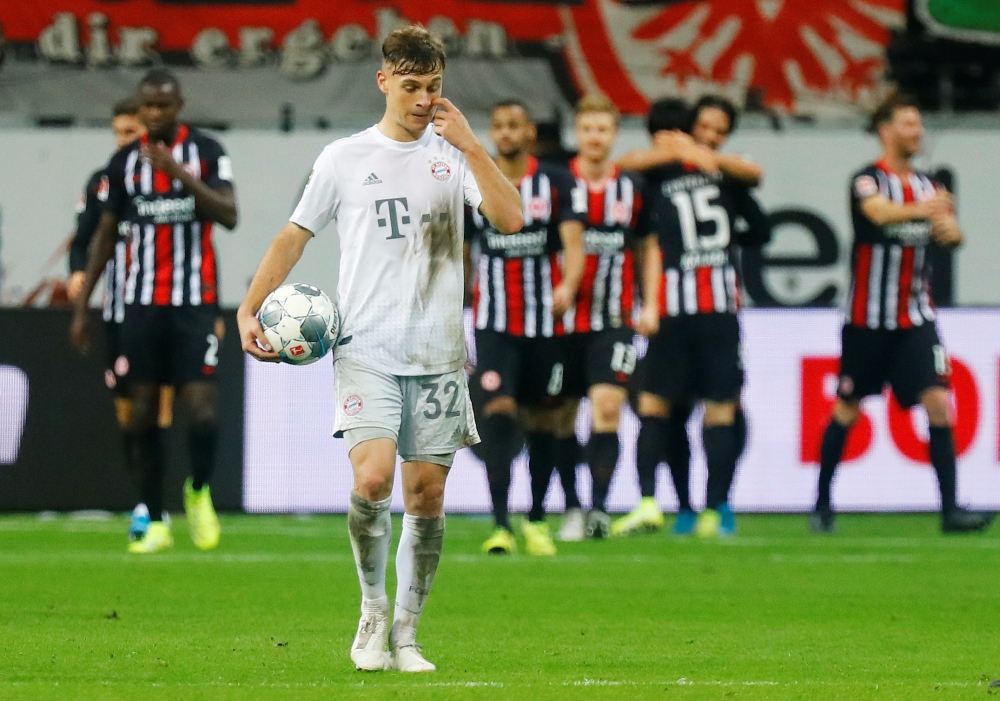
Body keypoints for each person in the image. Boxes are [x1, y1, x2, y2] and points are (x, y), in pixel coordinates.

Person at [237, 27, 522, 672]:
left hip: (441, 351)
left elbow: (511, 219)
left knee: (426, 497)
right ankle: (371, 611)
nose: (424, 100)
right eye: (413, 86)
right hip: (366, 345)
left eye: (434, 88)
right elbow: (293, 237)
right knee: (372, 479)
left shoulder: (454, 157)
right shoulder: (343, 158)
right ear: (384, 82)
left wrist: (472, 145)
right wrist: (249, 306)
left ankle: (407, 634)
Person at [71, 69, 238, 554]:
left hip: (194, 304)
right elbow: (104, 236)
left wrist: (178, 174)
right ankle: (156, 517)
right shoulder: (123, 161)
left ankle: (199, 489)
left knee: (202, 412)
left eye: (164, 106)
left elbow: (228, 215)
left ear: (179, 106)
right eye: (148, 106)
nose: (156, 114)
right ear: (141, 109)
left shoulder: (206, 152)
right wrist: (82, 308)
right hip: (140, 307)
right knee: (142, 413)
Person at [810, 95, 993, 535]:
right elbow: (877, 215)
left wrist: (950, 231)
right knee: (848, 407)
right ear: (886, 130)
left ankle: (950, 511)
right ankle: (821, 504)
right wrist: (926, 213)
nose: (918, 132)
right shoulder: (868, 181)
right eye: (909, 124)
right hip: (866, 322)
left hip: (915, 319)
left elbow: (951, 235)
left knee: (939, 404)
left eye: (919, 124)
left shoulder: (930, 187)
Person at [618, 95, 770, 540]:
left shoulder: (658, 176)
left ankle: (688, 507)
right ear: (690, 127)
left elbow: (624, 171)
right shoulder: (722, 175)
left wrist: (679, 153)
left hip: (684, 309)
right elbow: (760, 225)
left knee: (664, 409)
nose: (711, 136)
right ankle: (704, 509)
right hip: (706, 308)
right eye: (705, 126)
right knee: (707, 410)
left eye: (719, 129)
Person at [466, 99, 586, 557]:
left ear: (530, 132)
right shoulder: (473, 180)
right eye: (498, 125)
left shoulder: (555, 181)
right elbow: (462, 252)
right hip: (494, 322)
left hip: (545, 321)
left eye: (515, 125)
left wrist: (569, 287)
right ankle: (500, 525)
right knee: (498, 412)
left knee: (545, 418)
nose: (506, 133)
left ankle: (536, 518)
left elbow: (574, 244)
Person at [555, 93, 643, 540]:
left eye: (602, 129)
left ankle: (599, 509)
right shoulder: (555, 182)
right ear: (577, 133)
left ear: (614, 135)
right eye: (587, 128)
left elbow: (647, 245)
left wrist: (653, 303)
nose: (594, 137)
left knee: (608, 408)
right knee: (563, 415)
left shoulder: (631, 187)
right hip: (561, 322)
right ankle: (570, 504)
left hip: (614, 318)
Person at [66, 96, 154, 541]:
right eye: (118, 132)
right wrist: (78, 273)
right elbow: (83, 238)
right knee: (129, 408)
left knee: (161, 401)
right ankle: (147, 499)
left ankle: (158, 503)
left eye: (131, 133)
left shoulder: (168, 177)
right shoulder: (103, 182)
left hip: (164, 308)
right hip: (120, 310)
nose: (123, 141)